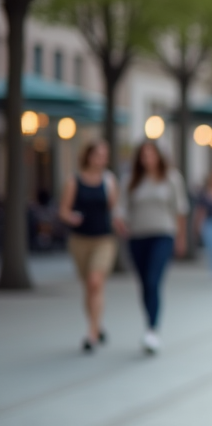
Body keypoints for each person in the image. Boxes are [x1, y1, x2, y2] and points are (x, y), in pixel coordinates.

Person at [116, 140, 189, 353]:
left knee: (152, 279)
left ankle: (152, 329)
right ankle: (149, 322)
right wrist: (121, 223)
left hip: (163, 234)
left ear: (159, 156)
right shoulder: (130, 180)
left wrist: (181, 237)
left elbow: (180, 209)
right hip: (137, 236)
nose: (147, 159)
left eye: (151, 155)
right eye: (143, 155)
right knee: (144, 284)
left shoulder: (172, 178)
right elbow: (121, 207)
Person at [58, 140, 119, 352]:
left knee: (95, 282)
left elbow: (115, 210)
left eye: (104, 155)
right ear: (88, 156)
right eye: (97, 154)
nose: (101, 159)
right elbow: (63, 210)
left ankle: (91, 334)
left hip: (103, 239)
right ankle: (96, 324)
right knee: (88, 287)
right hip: (80, 240)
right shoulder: (74, 180)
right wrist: (71, 217)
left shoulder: (109, 180)